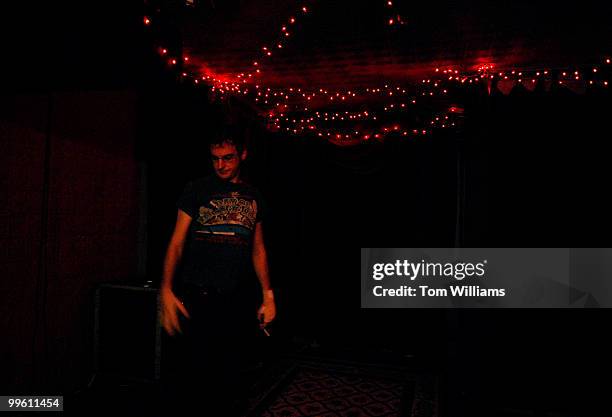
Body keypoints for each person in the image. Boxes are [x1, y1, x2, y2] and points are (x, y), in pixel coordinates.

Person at [159, 131, 276, 416]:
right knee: (196, 375)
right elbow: (176, 241)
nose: (221, 165)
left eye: (228, 158)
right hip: (200, 293)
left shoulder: (253, 195)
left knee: (232, 376)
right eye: (215, 159)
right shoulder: (197, 189)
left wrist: (268, 294)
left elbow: (258, 249)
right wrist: (165, 288)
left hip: (236, 296)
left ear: (243, 155)